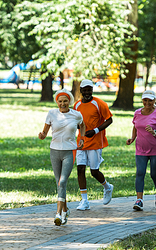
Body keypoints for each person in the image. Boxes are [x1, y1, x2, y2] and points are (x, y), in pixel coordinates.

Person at [39, 89, 86, 226]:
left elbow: (82, 126)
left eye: (65, 101)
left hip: (69, 151)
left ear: (69, 101)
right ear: (57, 102)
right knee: (59, 183)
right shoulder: (52, 113)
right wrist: (41, 135)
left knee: (62, 181)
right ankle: (65, 210)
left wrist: (81, 138)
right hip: (54, 151)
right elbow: (45, 132)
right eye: (60, 101)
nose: (62, 103)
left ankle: (58, 214)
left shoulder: (76, 115)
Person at [73, 79, 114, 210]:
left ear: (92, 89)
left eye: (89, 90)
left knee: (94, 171)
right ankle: (84, 201)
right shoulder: (77, 105)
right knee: (80, 169)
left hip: (96, 142)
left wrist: (96, 130)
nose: (87, 92)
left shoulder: (99, 103)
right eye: (84, 90)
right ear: (80, 91)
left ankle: (107, 187)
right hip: (81, 142)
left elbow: (109, 119)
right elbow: (76, 122)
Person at [126, 90, 156, 211]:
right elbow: (135, 127)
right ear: (142, 100)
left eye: (150, 100)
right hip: (141, 148)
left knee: (154, 174)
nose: (147, 103)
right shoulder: (137, 113)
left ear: (154, 100)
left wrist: (155, 132)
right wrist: (132, 138)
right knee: (140, 173)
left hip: (155, 149)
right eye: (145, 100)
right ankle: (139, 200)